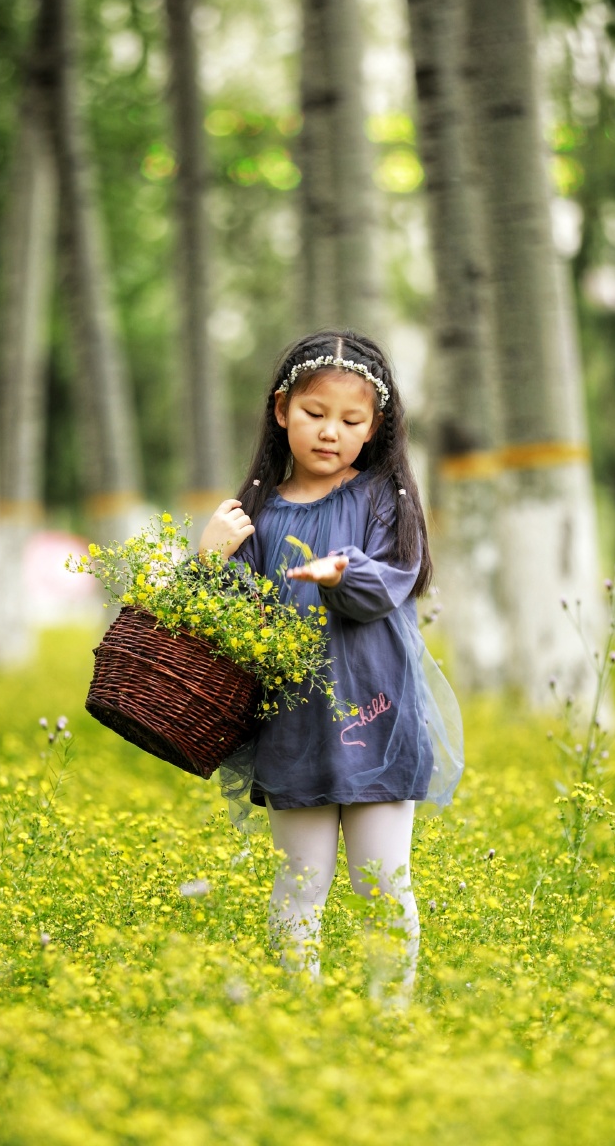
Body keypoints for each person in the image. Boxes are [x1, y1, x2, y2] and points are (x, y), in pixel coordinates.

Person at [198, 329, 463, 993]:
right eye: (315, 414)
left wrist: (338, 572)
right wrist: (209, 557)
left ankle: (388, 1019)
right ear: (282, 408)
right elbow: (228, 624)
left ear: (375, 428)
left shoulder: (382, 499)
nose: (330, 433)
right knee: (298, 884)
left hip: (377, 720)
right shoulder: (257, 515)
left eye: (351, 421)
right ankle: (299, 1015)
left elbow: (388, 583)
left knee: (384, 887)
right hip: (295, 728)